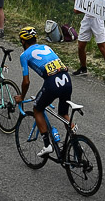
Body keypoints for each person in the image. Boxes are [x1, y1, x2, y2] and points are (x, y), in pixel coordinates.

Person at [16, 25, 72, 157]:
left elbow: (26, 81)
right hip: (66, 79)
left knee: (37, 109)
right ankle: (76, 141)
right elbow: (63, 65)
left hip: (52, 83)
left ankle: (47, 145)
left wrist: (21, 97)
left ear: (23, 41)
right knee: (64, 114)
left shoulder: (24, 55)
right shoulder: (47, 47)